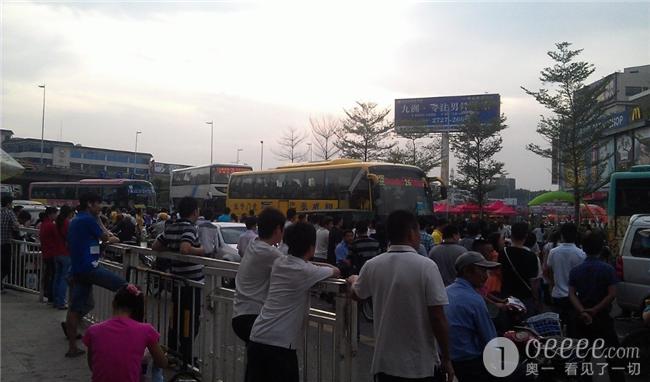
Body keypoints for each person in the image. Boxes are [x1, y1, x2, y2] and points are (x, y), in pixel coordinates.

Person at [349, 210, 454, 382]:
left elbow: (356, 294)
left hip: (385, 364)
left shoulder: (372, 265)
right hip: (421, 365)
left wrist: (354, 280)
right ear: (411, 233)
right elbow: (437, 317)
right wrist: (447, 358)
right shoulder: (426, 267)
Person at [246, 222, 340, 382]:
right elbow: (336, 271)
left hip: (257, 336)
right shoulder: (306, 271)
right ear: (311, 248)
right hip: (281, 345)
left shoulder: (279, 263)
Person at [65, 192, 126, 358]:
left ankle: (72, 347)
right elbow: (108, 238)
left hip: (78, 268)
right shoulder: (88, 220)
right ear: (90, 204)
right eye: (98, 204)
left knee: (77, 308)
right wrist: (111, 237)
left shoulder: (76, 220)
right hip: (89, 268)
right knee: (126, 288)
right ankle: (121, 331)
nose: (101, 207)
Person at [152, 196, 204, 364]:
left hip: (177, 280)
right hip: (191, 283)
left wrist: (171, 246)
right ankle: (186, 356)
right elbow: (185, 248)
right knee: (191, 320)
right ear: (195, 211)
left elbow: (156, 246)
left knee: (177, 317)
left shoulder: (171, 227)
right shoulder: (191, 228)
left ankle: (174, 351)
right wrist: (201, 250)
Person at [568, 231, 625, 382]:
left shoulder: (576, 271)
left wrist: (582, 311)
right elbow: (612, 294)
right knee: (613, 359)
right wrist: (595, 310)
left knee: (583, 359)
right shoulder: (608, 269)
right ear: (601, 248)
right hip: (603, 319)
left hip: (582, 320)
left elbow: (572, 294)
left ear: (583, 248)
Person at [82, 284, 167, 382]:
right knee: (155, 370)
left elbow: (92, 365)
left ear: (113, 303)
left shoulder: (93, 330)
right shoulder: (146, 330)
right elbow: (162, 363)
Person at [232, 208, 286, 343]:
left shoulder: (254, 243)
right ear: (278, 229)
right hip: (252, 317)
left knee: (256, 359)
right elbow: (297, 267)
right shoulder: (269, 252)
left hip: (241, 314)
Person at [445, 252, 500, 382]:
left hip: (446, 358)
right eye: (482, 270)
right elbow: (489, 339)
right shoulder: (474, 300)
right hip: (469, 363)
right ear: (467, 271)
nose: (486, 276)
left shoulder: (445, 291)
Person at [546, 222, 585, 336]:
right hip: (575, 298)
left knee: (556, 329)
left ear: (561, 235)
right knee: (573, 329)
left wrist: (551, 288)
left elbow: (550, 271)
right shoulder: (581, 254)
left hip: (557, 295)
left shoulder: (553, 252)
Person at [498, 222, 541, 316]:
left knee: (507, 325)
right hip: (525, 297)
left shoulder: (502, 253)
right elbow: (534, 282)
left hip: (507, 296)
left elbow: (500, 275)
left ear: (511, 235)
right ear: (526, 236)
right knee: (525, 325)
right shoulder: (532, 256)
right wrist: (536, 299)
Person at [51, 206, 74, 309]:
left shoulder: (56, 223)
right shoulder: (67, 223)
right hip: (65, 253)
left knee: (57, 277)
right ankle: (61, 302)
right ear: (69, 213)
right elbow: (70, 238)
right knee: (64, 279)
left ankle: (55, 301)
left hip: (56, 253)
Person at [38, 207, 61, 305]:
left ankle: (48, 295)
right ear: (51, 214)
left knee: (49, 274)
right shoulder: (51, 225)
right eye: (56, 214)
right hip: (52, 253)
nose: (56, 216)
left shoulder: (43, 224)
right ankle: (51, 297)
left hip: (46, 252)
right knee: (53, 275)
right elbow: (58, 238)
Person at [1, 195, 19, 292]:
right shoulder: (9, 213)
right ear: (8, 203)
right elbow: (16, 226)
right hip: (5, 243)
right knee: (6, 266)